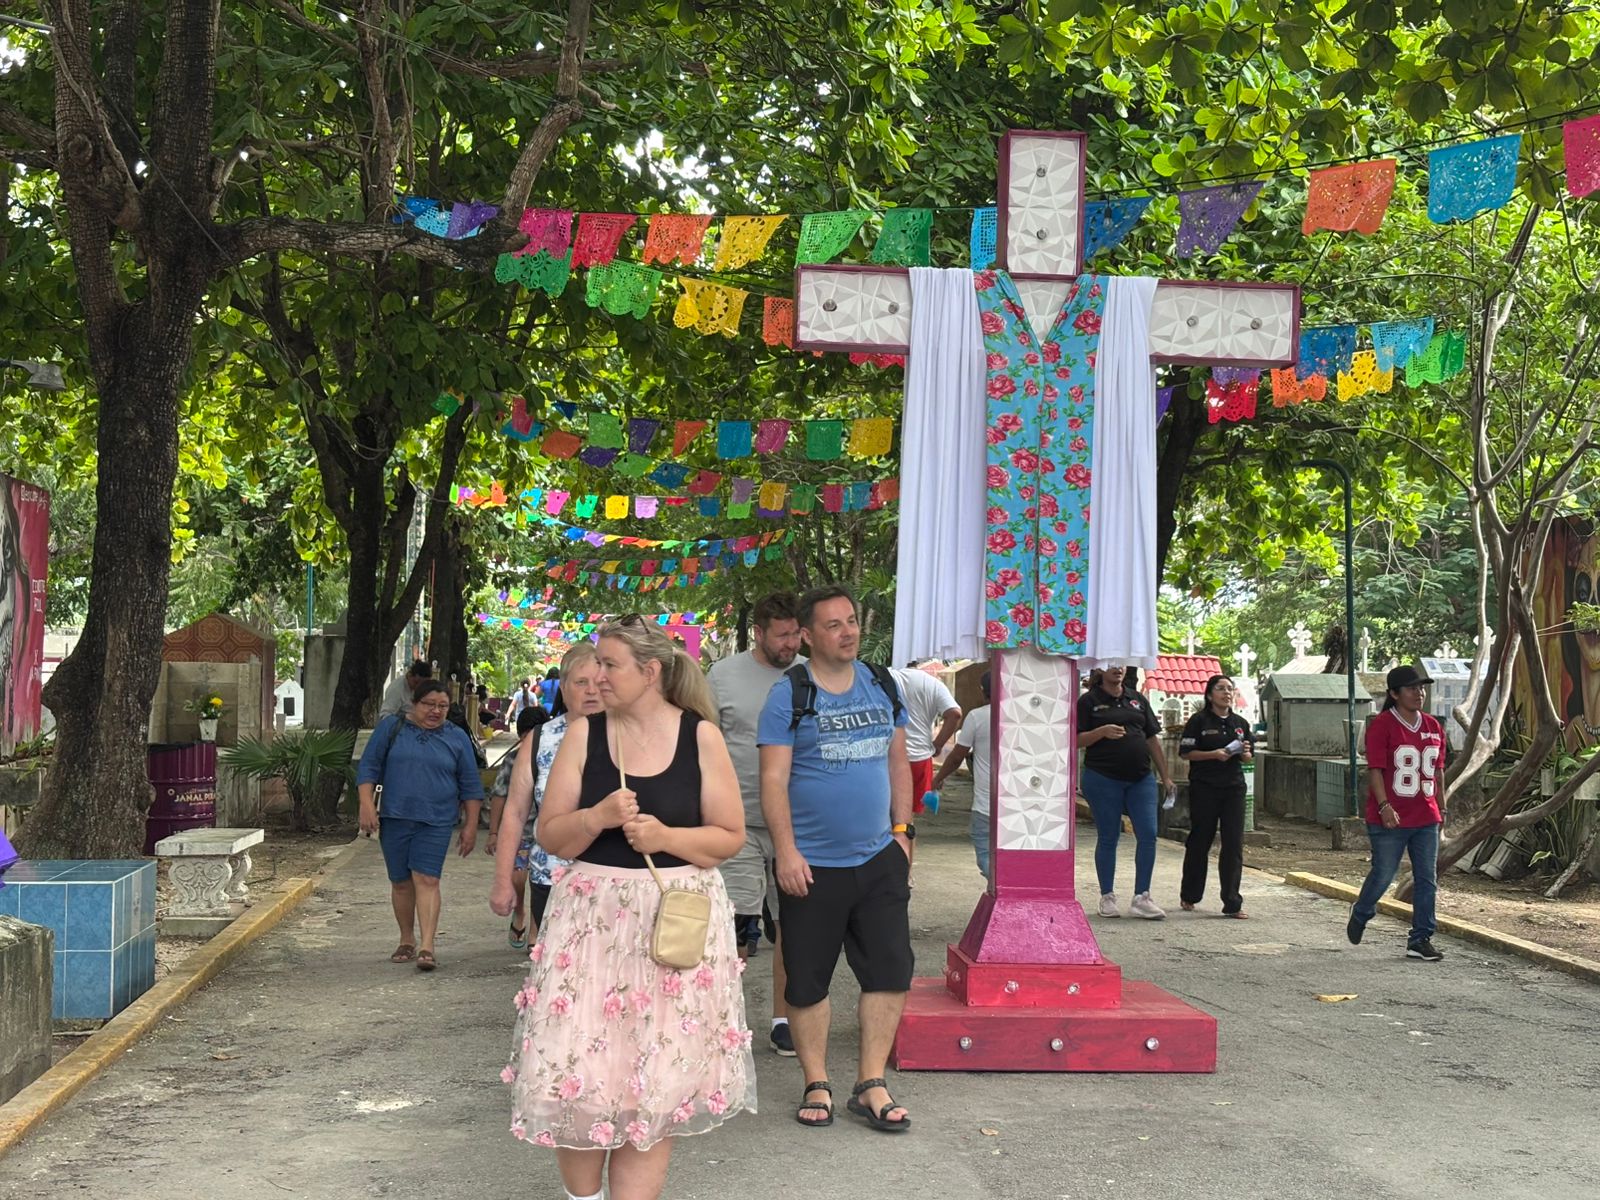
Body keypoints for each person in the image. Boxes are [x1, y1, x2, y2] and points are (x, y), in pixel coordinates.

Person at [497, 617, 753, 1200]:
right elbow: (553, 835)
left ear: (651, 671)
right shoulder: (584, 735)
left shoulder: (700, 736)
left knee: (653, 1085)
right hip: (591, 922)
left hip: (674, 919)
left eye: (610, 666)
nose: (597, 677)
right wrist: (598, 818)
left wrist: (665, 836)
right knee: (578, 1079)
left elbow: (729, 836)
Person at [759, 585, 913, 1133]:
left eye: (851, 621)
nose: (847, 632)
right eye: (833, 625)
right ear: (806, 635)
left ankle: (870, 1082)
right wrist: (787, 852)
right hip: (812, 865)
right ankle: (816, 1081)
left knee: (890, 972)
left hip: (879, 857)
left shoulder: (881, 682)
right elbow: (772, 780)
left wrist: (903, 832)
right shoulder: (790, 694)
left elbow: (899, 762)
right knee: (807, 980)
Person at [708, 591, 803, 1056]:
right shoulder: (723, 676)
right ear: (759, 633)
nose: (790, 643)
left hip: (795, 821)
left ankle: (783, 1019)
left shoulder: (809, 675)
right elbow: (702, 742)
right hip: (736, 820)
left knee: (794, 924)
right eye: (782, 635)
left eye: (795, 633)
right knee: (732, 920)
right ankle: (721, 1014)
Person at [357, 679, 484, 971]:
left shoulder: (456, 737)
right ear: (414, 703)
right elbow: (369, 767)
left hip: (437, 820)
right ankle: (406, 938)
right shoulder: (392, 728)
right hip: (395, 816)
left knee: (427, 879)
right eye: (429, 704)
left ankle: (427, 945)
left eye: (443, 706)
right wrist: (366, 804)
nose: (436, 711)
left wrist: (470, 825)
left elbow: (470, 784)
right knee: (401, 882)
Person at [488, 643, 603, 950]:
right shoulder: (540, 739)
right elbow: (515, 813)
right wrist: (502, 880)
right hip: (553, 877)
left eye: (599, 682)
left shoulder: (630, 735)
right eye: (581, 682)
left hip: (616, 879)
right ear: (563, 688)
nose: (592, 691)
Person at [1348, 664, 1448, 961]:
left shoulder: (1433, 725)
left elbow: (1439, 771)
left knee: (1426, 878)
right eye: (1412, 688)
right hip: (1390, 815)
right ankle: (1363, 910)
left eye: (1422, 687)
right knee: (1384, 872)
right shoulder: (1382, 725)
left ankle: (1420, 939)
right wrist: (1384, 806)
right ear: (1394, 693)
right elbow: (1375, 770)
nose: (1419, 693)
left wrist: (1442, 806)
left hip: (1426, 815)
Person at [1077, 663, 1174, 920]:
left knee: (1148, 835)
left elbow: (1152, 737)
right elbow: (1074, 740)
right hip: (1103, 777)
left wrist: (1165, 776)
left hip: (1141, 778)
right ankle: (1107, 896)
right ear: (1099, 669)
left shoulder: (1137, 698)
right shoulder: (1089, 701)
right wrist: (1100, 732)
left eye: (1120, 664)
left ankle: (1142, 896)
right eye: (1110, 664)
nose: (1117, 669)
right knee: (1109, 836)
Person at [1177, 675, 1255, 917]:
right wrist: (1214, 754)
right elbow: (1186, 752)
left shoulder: (1240, 722)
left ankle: (1232, 902)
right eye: (1221, 689)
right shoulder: (1199, 721)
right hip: (1205, 787)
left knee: (1233, 843)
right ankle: (1189, 894)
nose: (1226, 693)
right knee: (1201, 839)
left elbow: (1248, 756)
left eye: (1230, 689)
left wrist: (1245, 753)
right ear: (1210, 695)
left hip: (1233, 788)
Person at [930, 670, 992, 876]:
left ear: (982, 690)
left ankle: (1000, 892)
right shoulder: (1022, 718)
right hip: (1017, 807)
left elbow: (957, 757)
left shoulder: (977, 716)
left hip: (986, 806)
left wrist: (938, 778)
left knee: (985, 855)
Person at [891, 664, 962, 823]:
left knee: (885, 814)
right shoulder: (933, 683)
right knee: (908, 818)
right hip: (919, 758)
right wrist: (938, 744)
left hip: (889, 756)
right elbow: (955, 714)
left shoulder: (887, 677)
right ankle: (905, 845)